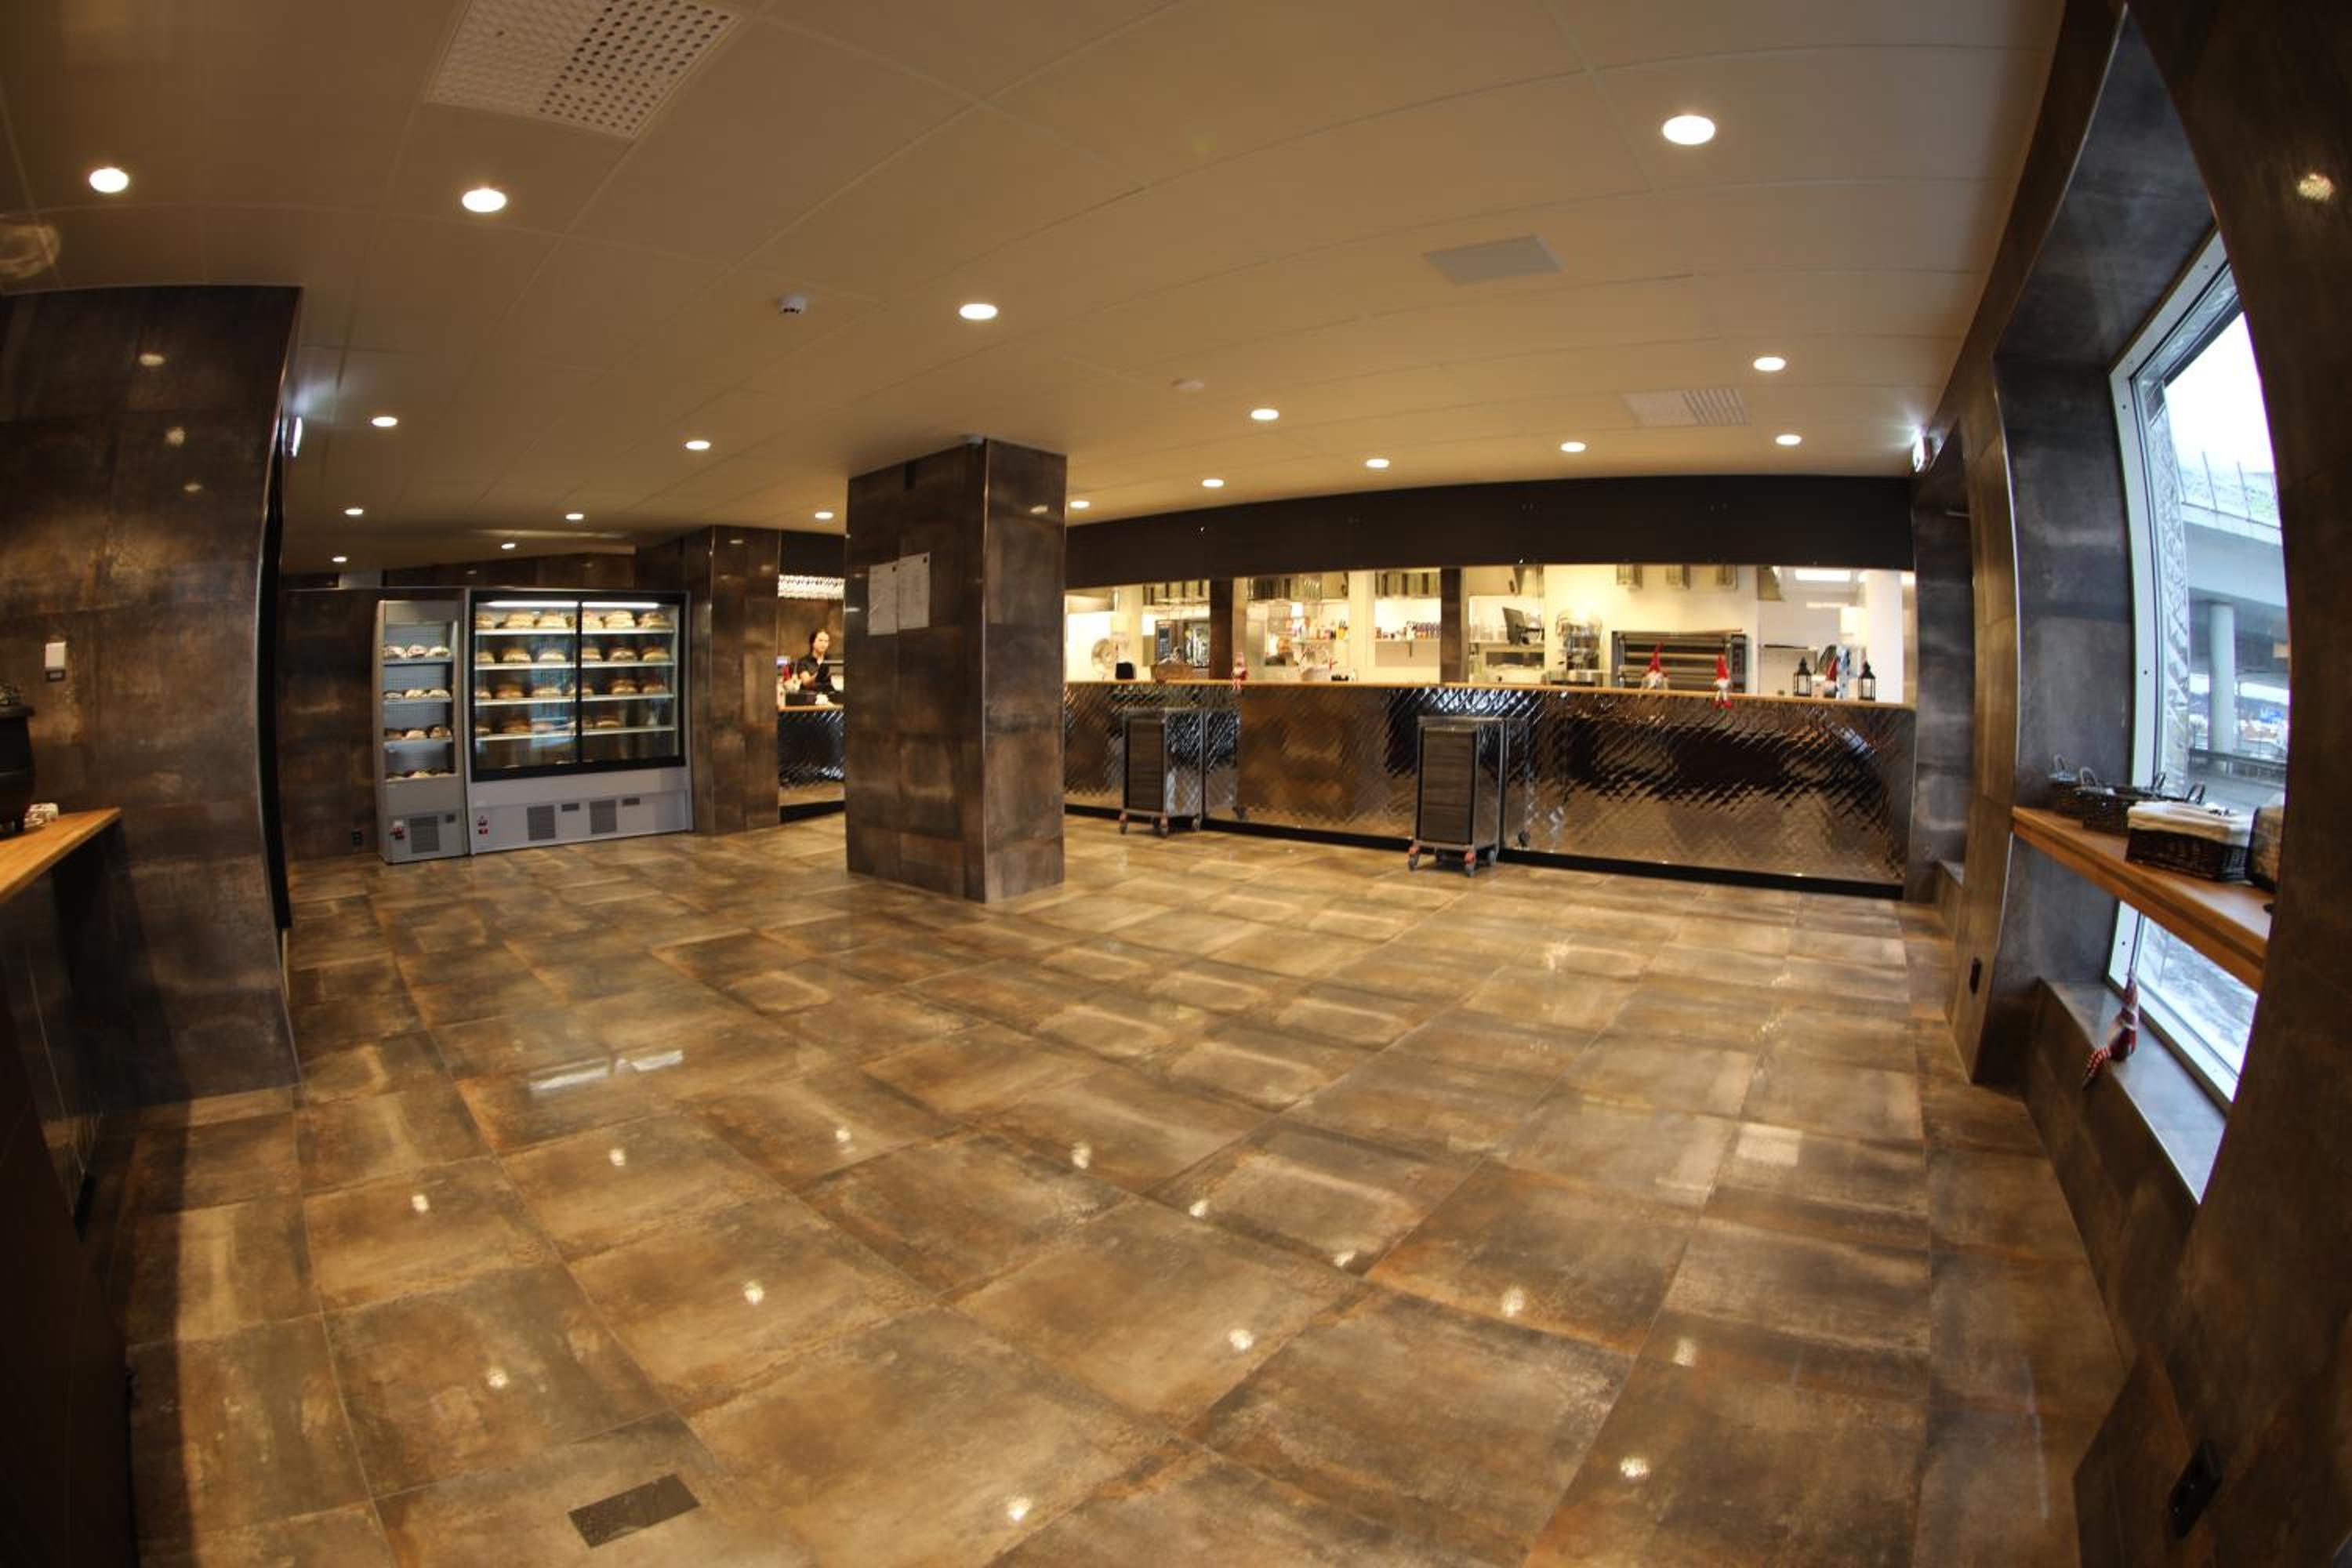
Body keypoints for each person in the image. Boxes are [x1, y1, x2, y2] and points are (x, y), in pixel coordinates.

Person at [782, 628, 838, 705]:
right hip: (810, 699)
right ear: (813, 643)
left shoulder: (830, 660)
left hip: (829, 696)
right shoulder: (803, 661)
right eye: (820, 640)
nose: (824, 644)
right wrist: (820, 673)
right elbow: (807, 683)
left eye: (826, 641)